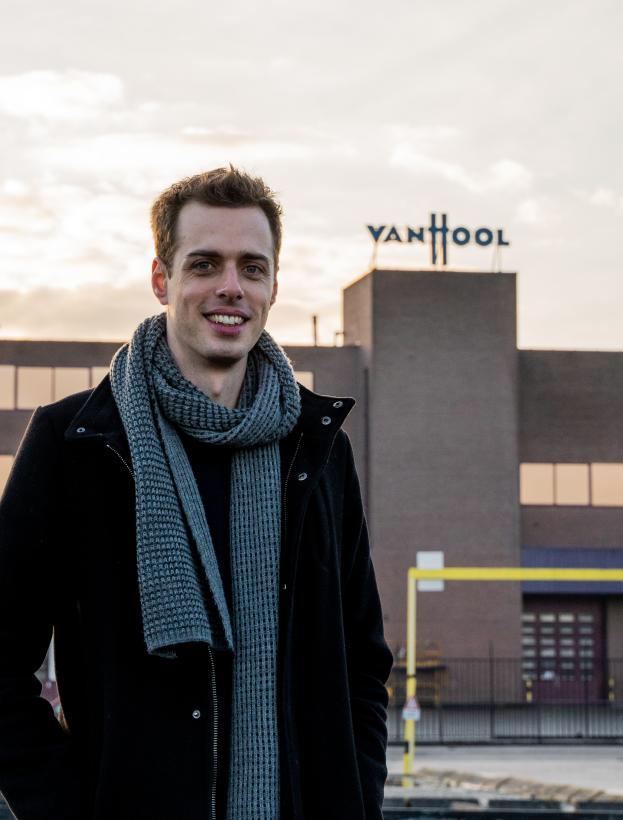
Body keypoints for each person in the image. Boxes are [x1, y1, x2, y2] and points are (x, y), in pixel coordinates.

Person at [0, 167, 393, 819]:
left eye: (252, 267)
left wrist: (356, 803)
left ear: (273, 284)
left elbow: (362, 665)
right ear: (162, 278)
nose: (230, 288)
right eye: (205, 263)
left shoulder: (319, 448)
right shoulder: (75, 443)